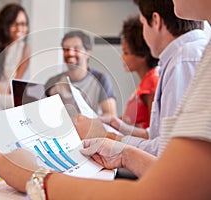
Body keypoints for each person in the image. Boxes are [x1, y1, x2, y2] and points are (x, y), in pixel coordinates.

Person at [0, 0, 211, 198]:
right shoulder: (192, 55)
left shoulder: (187, 59)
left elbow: (165, 188)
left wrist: (35, 179)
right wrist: (123, 153)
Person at [77, 0, 208, 156]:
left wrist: (106, 137)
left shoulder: (184, 60)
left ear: (156, 21)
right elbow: (162, 135)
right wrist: (122, 128)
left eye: (143, 23)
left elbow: (165, 151)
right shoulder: (182, 56)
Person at [45, 30, 117, 117]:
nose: (70, 53)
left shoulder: (101, 79)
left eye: (76, 48)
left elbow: (110, 115)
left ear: (87, 53)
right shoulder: (52, 82)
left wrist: (87, 122)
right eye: (66, 49)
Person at [119, 15, 159, 130]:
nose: (122, 57)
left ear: (142, 54)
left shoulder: (152, 82)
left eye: (126, 53)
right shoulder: (146, 81)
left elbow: (153, 132)